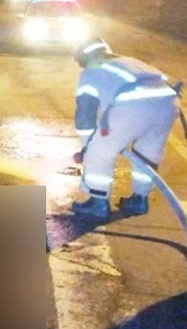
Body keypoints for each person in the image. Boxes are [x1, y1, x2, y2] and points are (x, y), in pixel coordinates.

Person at [70, 38, 181, 219]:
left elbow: (85, 115)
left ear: (86, 57)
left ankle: (97, 203)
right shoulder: (131, 62)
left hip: (133, 104)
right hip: (169, 103)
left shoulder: (91, 72)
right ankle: (139, 200)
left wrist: (87, 146)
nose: (82, 67)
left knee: (100, 152)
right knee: (147, 153)